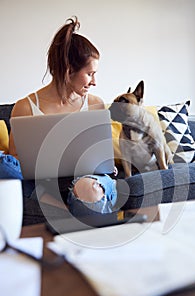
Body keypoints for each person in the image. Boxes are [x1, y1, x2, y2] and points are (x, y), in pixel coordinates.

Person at [6, 16, 118, 216]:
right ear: (68, 71)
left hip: (89, 180)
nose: (95, 82)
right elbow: (15, 162)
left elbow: (102, 155)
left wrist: (108, 162)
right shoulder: (25, 107)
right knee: (4, 165)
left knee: (88, 188)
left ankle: (72, 210)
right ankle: (59, 207)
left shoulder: (95, 104)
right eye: (90, 73)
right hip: (41, 185)